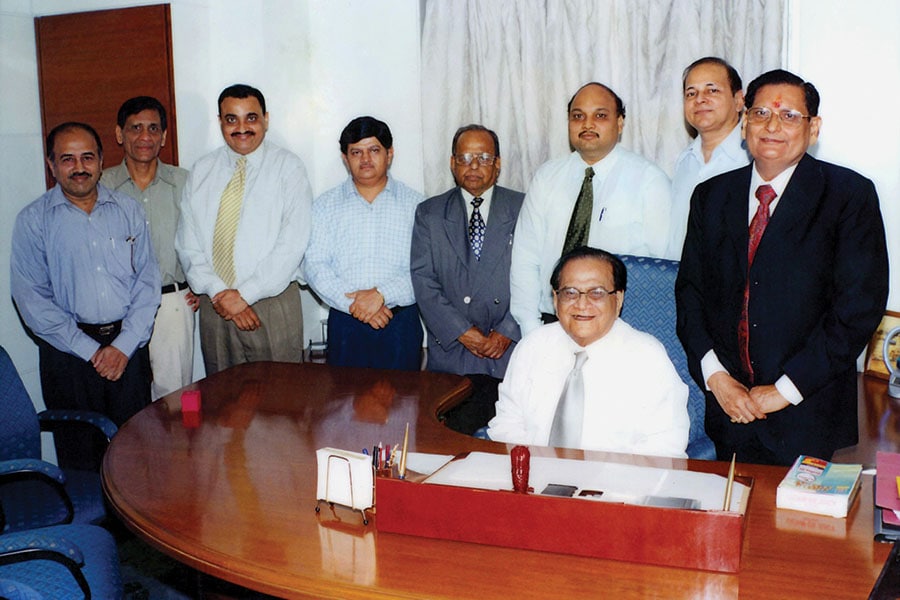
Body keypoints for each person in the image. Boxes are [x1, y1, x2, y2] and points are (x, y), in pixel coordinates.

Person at [675, 69, 889, 466]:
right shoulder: (711, 197)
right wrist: (716, 378)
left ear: (814, 128)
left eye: (789, 116)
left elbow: (857, 309)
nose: (772, 126)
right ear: (744, 124)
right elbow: (690, 294)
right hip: (729, 408)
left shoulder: (849, 196)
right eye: (760, 114)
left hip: (807, 413)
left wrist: (784, 390)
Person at [11, 122, 160, 469]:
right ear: (51, 165)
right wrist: (92, 352)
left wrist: (122, 347)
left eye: (87, 157)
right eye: (67, 159)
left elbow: (148, 283)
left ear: (101, 160)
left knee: (136, 456)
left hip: (129, 349)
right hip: (69, 356)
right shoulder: (33, 221)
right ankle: (87, 526)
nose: (79, 167)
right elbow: (31, 299)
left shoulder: (128, 210)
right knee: (80, 459)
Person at [488, 247, 689, 458]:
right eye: (570, 293)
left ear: (618, 299)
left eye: (597, 293)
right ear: (556, 300)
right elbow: (507, 423)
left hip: (618, 485)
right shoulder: (532, 347)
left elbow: (665, 446)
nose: (582, 304)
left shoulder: (648, 358)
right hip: (534, 479)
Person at [510, 82, 673, 336]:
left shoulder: (649, 181)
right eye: (578, 116)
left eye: (600, 115)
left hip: (619, 329)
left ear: (620, 123)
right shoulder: (546, 178)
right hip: (551, 324)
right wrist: (531, 329)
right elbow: (525, 258)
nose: (587, 124)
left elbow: (662, 269)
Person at [176, 84, 312, 375]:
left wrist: (245, 295)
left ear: (266, 118)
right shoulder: (201, 171)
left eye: (251, 118)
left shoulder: (288, 168)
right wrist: (220, 293)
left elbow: (293, 242)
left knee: (280, 406)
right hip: (217, 306)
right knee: (223, 408)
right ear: (220, 122)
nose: (241, 128)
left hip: (272, 304)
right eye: (231, 119)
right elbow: (188, 245)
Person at [411, 125, 524, 433]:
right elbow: (424, 281)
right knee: (455, 446)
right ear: (452, 163)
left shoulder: (524, 208)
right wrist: (463, 332)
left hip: (510, 351)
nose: (473, 166)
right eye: (465, 158)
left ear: (498, 164)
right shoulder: (430, 213)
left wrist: (507, 331)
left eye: (484, 157)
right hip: (453, 354)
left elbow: (539, 279)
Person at [303, 116, 423, 370]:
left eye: (374, 150)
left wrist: (381, 295)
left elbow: (424, 270)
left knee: (405, 405)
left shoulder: (418, 206)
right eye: (356, 152)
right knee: (346, 405)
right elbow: (315, 266)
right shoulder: (325, 206)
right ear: (345, 158)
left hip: (400, 324)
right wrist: (356, 306)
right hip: (346, 323)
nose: (365, 159)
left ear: (389, 154)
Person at [101, 96, 195, 399]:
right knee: (126, 395)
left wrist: (203, 285)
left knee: (175, 398)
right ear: (119, 134)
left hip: (172, 302)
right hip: (117, 307)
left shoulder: (184, 182)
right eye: (135, 128)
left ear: (164, 136)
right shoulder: (101, 186)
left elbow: (207, 238)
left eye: (153, 128)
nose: (145, 137)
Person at [668, 57, 751, 257]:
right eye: (691, 93)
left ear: (739, 100)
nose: (700, 99)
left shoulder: (752, 159)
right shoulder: (684, 161)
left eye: (712, 90)